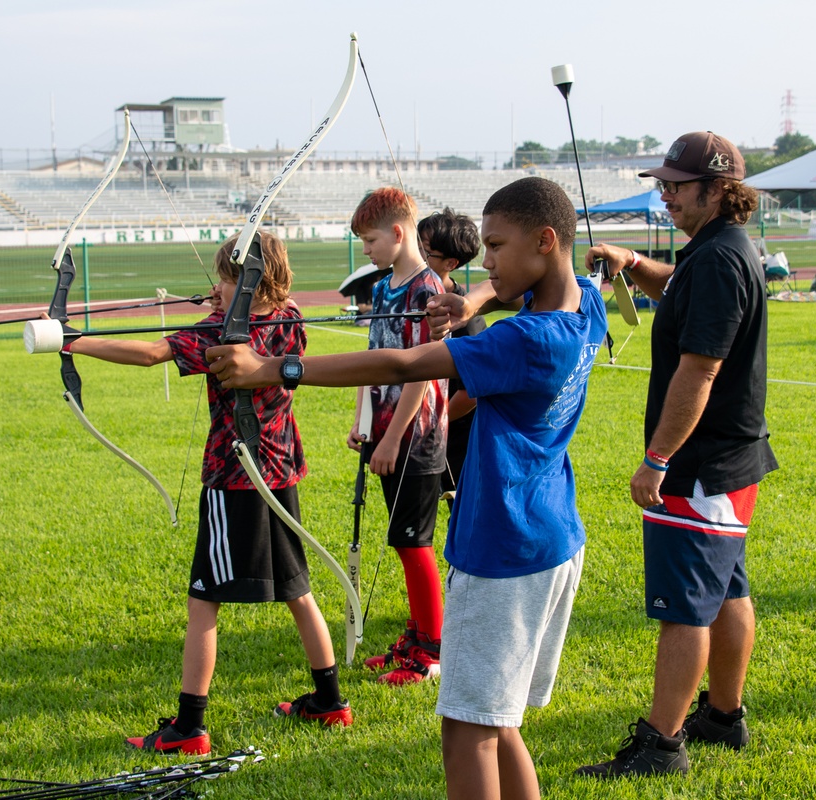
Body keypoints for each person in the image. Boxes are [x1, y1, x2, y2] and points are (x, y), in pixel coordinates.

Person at [207, 176, 608, 800]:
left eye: (497, 247)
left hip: (503, 550)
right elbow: (535, 287)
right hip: (551, 535)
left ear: (546, 240)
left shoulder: (526, 340)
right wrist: (475, 302)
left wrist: (271, 368)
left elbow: (402, 365)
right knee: (499, 724)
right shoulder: (583, 304)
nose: (487, 261)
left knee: (466, 727)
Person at [60, 232, 352, 756]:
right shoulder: (290, 317)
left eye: (223, 278)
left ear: (244, 282)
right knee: (297, 589)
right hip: (279, 472)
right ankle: (330, 700)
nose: (214, 288)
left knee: (204, 600)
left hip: (234, 477)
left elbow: (151, 353)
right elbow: (257, 318)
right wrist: (226, 302)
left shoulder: (219, 334)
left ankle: (189, 727)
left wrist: (73, 341)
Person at [575, 131, 779, 778]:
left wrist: (658, 459)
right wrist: (633, 263)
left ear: (719, 189)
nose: (665, 194)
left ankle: (661, 746)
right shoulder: (715, 250)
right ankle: (723, 716)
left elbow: (700, 371)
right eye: (662, 183)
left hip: (699, 464)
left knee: (686, 605)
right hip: (732, 458)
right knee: (725, 591)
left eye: (676, 185)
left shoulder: (718, 260)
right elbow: (680, 290)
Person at [348, 187, 449, 685]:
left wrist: (391, 439)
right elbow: (376, 358)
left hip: (417, 439)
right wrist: (364, 419)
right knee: (401, 538)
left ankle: (431, 653)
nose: (365, 250)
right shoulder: (387, 286)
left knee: (414, 543)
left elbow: (422, 372)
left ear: (396, 232)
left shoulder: (427, 291)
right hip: (386, 433)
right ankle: (415, 634)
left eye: (369, 240)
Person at [417, 207, 484, 510]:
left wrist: (435, 422)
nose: (416, 255)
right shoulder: (413, 298)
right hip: (424, 433)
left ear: (451, 263)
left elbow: (471, 391)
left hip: (456, 441)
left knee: (463, 509)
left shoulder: (466, 322)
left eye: (425, 251)